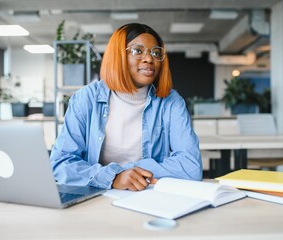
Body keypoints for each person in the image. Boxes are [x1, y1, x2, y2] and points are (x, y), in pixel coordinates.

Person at [50, 23, 202, 191]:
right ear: (117, 56)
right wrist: (112, 177)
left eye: (156, 53)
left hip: (147, 195)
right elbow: (61, 163)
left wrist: (126, 173)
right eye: (138, 51)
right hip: (97, 195)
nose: (149, 59)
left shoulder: (171, 102)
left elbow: (191, 167)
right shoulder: (86, 99)